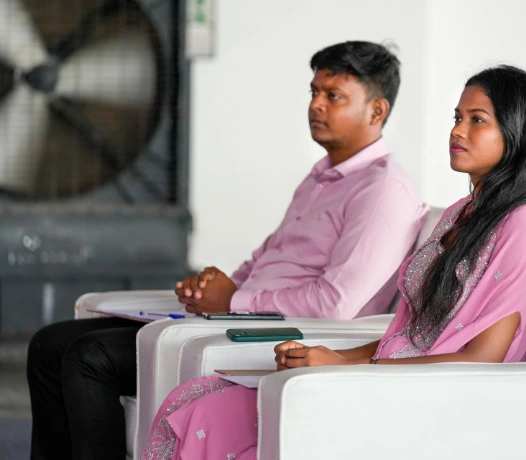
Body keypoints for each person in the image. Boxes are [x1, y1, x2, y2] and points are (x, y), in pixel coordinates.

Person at [141, 65, 526, 460]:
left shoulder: (524, 223)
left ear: (519, 135)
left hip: (427, 401)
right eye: (457, 117)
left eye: (477, 120)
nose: (457, 131)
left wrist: (346, 368)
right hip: (384, 380)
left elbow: (480, 360)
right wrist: (330, 356)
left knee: (215, 414)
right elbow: (409, 337)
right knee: (198, 399)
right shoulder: (459, 215)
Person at [26, 40, 427, 460]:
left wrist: (234, 300)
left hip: (288, 337)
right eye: (314, 92)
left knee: (91, 357)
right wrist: (215, 290)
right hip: (241, 319)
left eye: (334, 96)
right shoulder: (322, 178)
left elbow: (337, 305)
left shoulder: (382, 190)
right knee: (49, 344)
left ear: (376, 111)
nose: (316, 105)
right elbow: (265, 258)